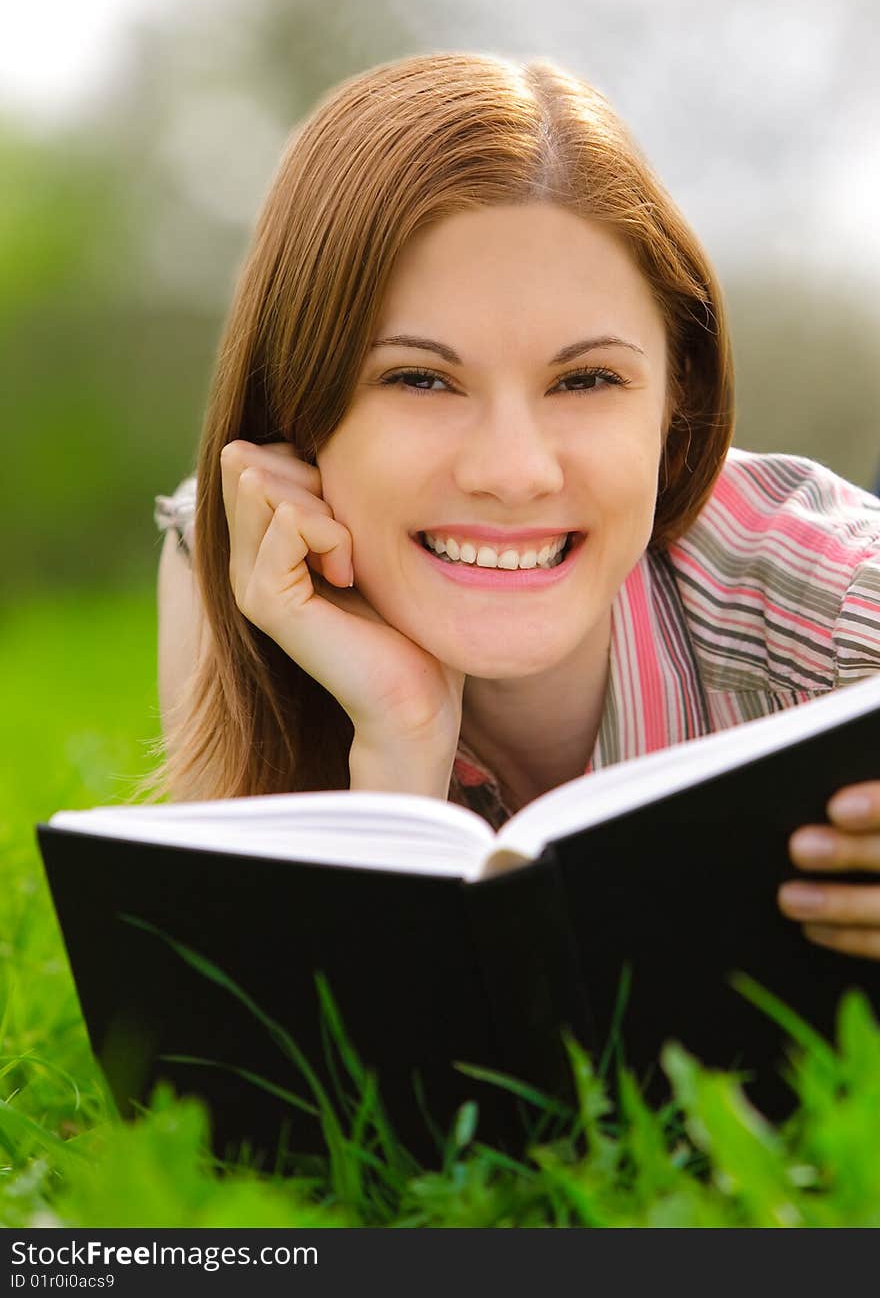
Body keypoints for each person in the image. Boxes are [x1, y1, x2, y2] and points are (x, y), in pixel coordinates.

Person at [148, 51, 880, 961]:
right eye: (419, 378)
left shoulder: (818, 588)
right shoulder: (230, 570)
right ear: (294, 406)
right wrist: (399, 745)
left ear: (675, 407)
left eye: (585, 379)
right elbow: (287, 1058)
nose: (514, 470)